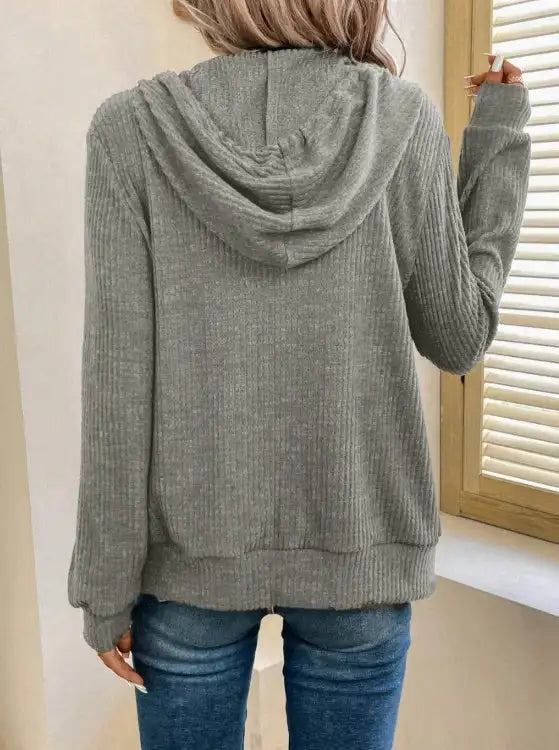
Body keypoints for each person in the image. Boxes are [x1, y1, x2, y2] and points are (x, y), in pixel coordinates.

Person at [67, 1, 531, 748]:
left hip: (189, 566)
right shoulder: (403, 119)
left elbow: (117, 386)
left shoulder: (130, 130)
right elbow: (459, 337)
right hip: (361, 553)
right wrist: (498, 137)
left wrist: (104, 588)